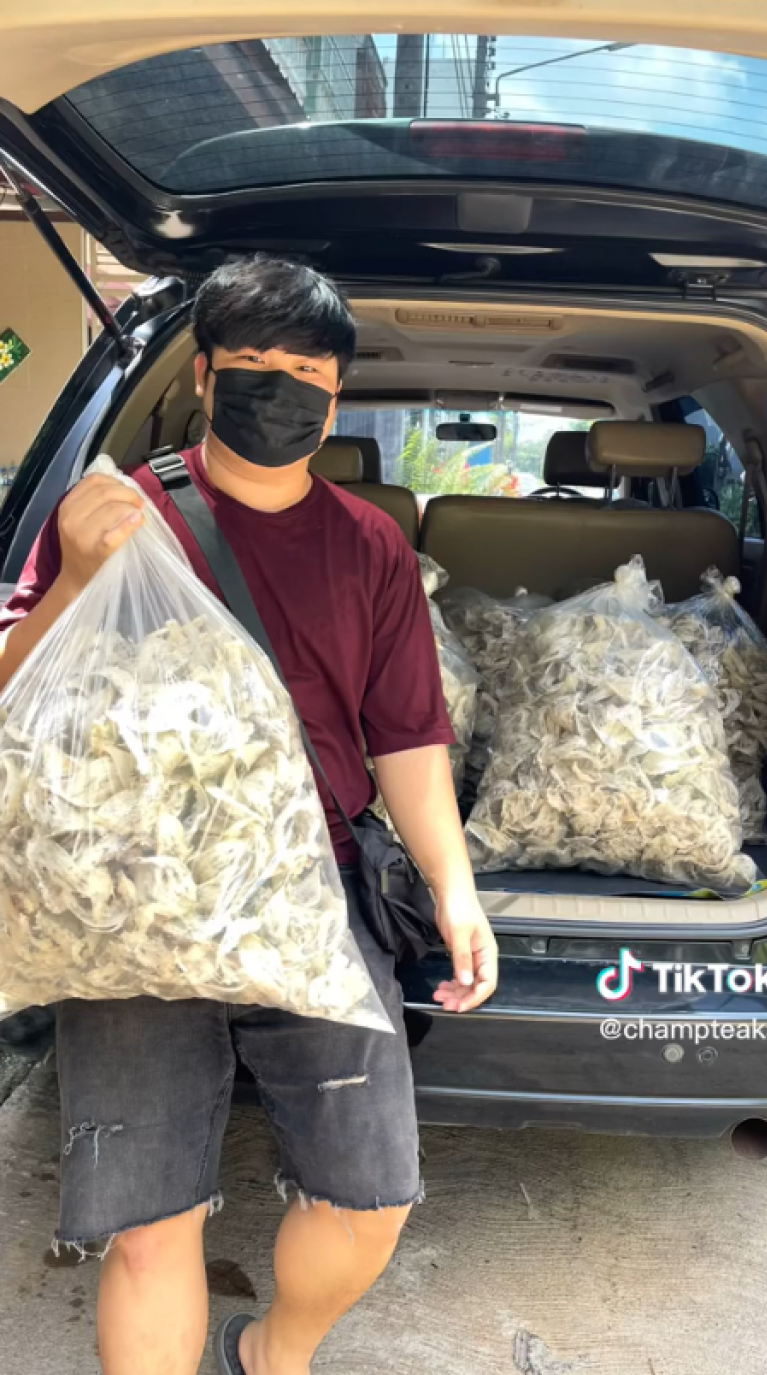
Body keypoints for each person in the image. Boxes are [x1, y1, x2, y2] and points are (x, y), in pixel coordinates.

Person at [0, 256, 498, 1375]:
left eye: (307, 372)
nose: (280, 389)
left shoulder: (369, 545)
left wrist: (457, 893)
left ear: (338, 392)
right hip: (133, 895)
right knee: (149, 1225)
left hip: (312, 886)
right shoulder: (117, 514)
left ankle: (273, 1351)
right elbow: (11, 694)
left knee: (371, 1194)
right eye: (255, 364)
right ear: (204, 373)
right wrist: (74, 578)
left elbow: (406, 737)